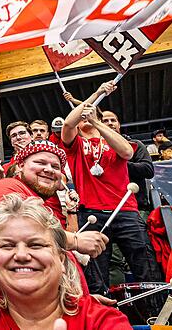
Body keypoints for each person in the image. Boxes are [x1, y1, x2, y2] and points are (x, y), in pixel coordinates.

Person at [0, 195, 132, 330]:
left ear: (61, 258)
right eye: (7, 245)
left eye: (35, 245)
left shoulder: (101, 322)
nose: (21, 255)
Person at [62, 82, 161, 294]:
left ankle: (158, 315)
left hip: (126, 211)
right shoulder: (76, 145)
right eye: (82, 117)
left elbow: (126, 152)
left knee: (146, 267)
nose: (83, 119)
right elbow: (68, 124)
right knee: (97, 275)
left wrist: (97, 123)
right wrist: (97, 92)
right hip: (92, 214)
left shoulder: (115, 141)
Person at [0, 140, 107, 275]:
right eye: (40, 163)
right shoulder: (6, 187)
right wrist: (75, 240)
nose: (49, 169)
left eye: (56, 167)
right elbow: (14, 230)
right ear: (20, 166)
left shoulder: (44, 204)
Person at [100, 111, 154, 214]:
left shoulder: (135, 145)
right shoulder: (94, 149)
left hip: (136, 208)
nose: (110, 123)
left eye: (113, 120)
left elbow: (148, 170)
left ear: (119, 125)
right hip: (104, 208)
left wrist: (118, 163)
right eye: (105, 121)